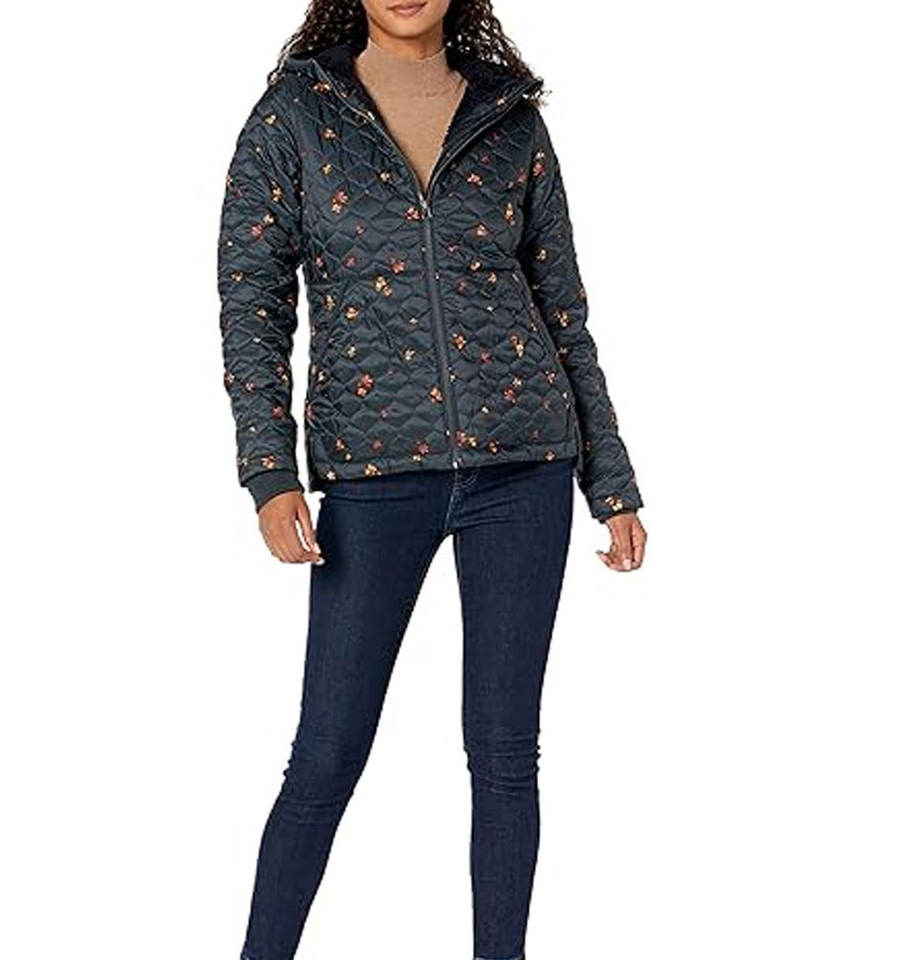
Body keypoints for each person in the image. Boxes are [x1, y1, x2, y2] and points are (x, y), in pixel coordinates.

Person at [216, 2, 647, 957]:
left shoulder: (510, 117)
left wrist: (611, 480)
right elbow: (251, 300)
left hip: (525, 464)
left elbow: (563, 310)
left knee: (505, 754)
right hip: (372, 474)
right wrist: (268, 470)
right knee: (325, 755)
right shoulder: (297, 113)